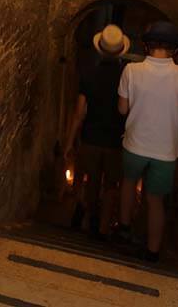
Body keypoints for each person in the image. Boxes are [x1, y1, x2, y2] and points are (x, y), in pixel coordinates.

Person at [113, 21, 178, 262]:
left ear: (147, 46)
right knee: (155, 200)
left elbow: (122, 109)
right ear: (175, 50)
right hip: (166, 151)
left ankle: (124, 228)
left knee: (128, 182)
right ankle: (152, 252)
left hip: (135, 143)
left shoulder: (131, 71)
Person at [63, 24, 129, 239]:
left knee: (90, 179)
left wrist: (70, 141)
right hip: (116, 138)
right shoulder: (127, 75)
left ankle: (89, 215)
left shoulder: (89, 73)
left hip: (91, 135)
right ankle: (102, 229)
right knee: (111, 184)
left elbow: (79, 111)